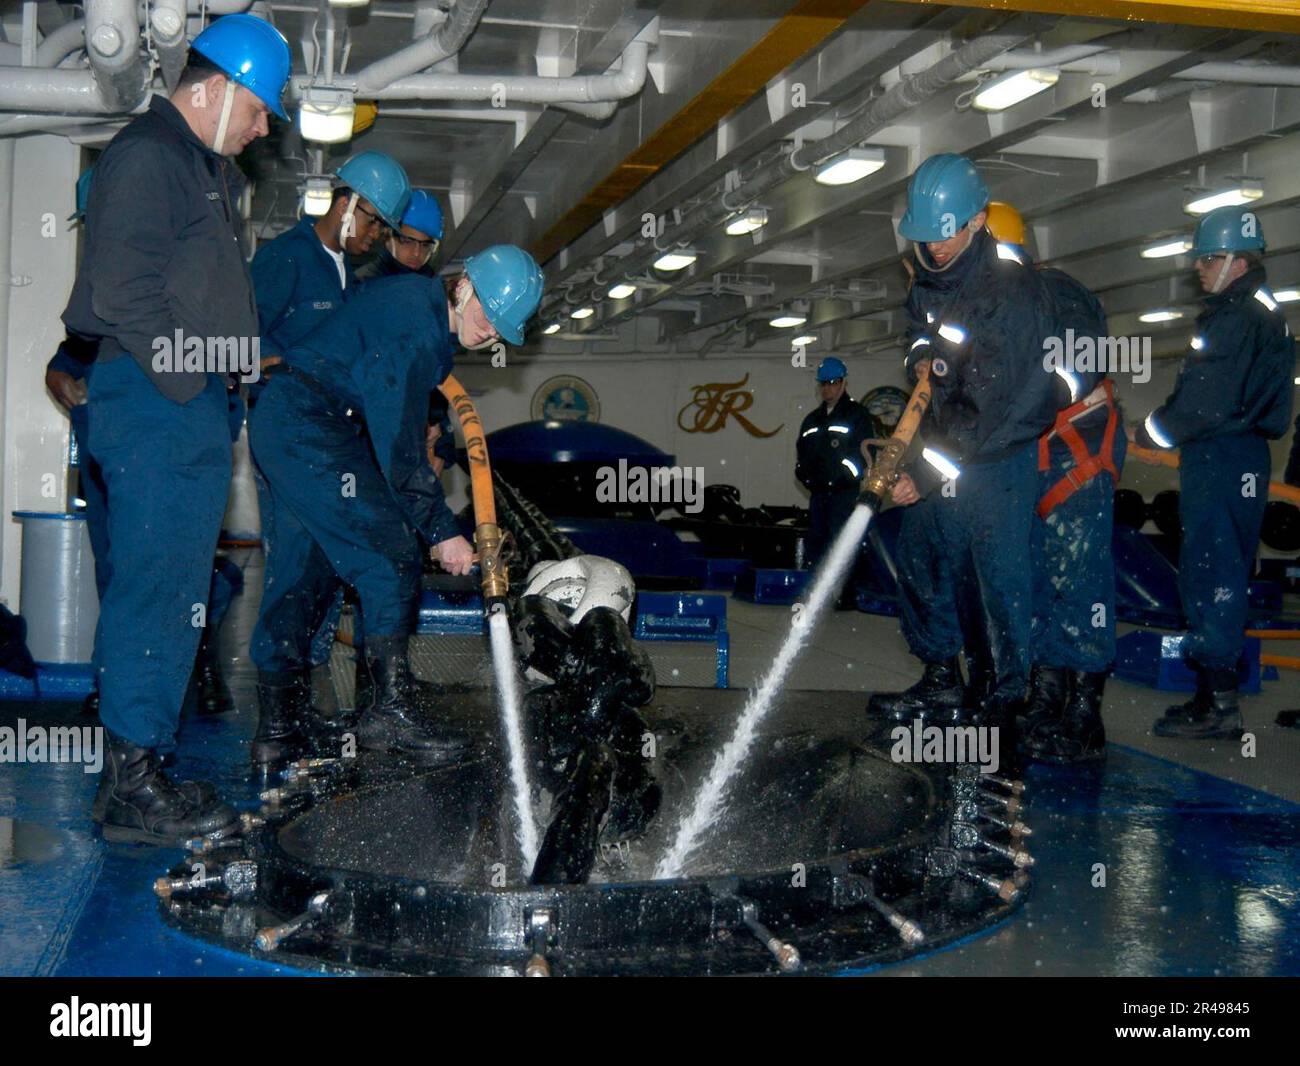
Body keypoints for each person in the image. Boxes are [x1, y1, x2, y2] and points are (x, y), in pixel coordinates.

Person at [61, 13, 291, 845]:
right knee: (156, 590)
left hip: (186, 408)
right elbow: (122, 291)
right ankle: (131, 782)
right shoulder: (150, 155)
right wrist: (188, 377)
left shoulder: (200, 170)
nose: (264, 127)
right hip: (159, 405)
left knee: (172, 590)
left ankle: (139, 767)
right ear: (218, 86)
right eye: (260, 108)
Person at [247, 245, 544, 761]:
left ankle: (278, 730)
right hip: (308, 425)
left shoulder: (416, 307)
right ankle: (388, 714)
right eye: (491, 315)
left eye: (503, 328)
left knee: (305, 569)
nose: (492, 331)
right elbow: (400, 450)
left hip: (291, 418)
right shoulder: (415, 325)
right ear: (466, 286)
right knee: (390, 555)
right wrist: (440, 531)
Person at [867, 154, 1058, 736]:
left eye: (948, 234)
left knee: (998, 580)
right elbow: (916, 334)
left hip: (998, 454)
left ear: (977, 221)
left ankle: (1004, 700)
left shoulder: (1011, 293)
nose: (938, 247)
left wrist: (920, 475)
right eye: (928, 237)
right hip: (946, 436)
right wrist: (919, 358)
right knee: (924, 558)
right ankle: (941, 677)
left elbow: (982, 408)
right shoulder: (928, 277)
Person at [248, 150, 411, 769]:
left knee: (322, 568)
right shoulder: (285, 258)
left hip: (331, 443)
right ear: (345, 204)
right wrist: (285, 369)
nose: (377, 237)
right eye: (373, 223)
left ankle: (295, 712)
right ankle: (272, 727)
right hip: (288, 438)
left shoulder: (347, 275)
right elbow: (241, 339)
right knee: (292, 565)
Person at [1134, 205, 1295, 739]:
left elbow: (1201, 404)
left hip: (1221, 456)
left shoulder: (1235, 319)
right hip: (1239, 455)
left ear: (1236, 261)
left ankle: (1218, 704)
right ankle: (1214, 694)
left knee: (1213, 571)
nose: (1200, 269)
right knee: (1222, 567)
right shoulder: (1261, 312)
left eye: (1208, 260)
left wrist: (1149, 432)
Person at [984, 202, 1126, 764]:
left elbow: (1075, 370)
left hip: (1077, 458)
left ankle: (1086, 714)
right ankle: (1047, 695)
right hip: (1034, 462)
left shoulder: (1055, 293)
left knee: (1081, 582)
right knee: (1039, 581)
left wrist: (1018, 404)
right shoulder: (999, 308)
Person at [794, 357, 874, 575]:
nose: (828, 388)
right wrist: (807, 476)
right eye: (824, 383)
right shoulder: (812, 420)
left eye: (833, 382)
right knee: (817, 542)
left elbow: (866, 453)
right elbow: (802, 452)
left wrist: (844, 476)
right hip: (818, 494)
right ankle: (814, 592)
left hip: (844, 495)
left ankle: (843, 596)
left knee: (840, 543)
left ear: (843, 383)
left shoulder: (857, 415)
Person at [356, 189, 444, 282]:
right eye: (407, 241)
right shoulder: (365, 284)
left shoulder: (433, 285)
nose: (416, 253)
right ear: (387, 238)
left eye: (425, 245)